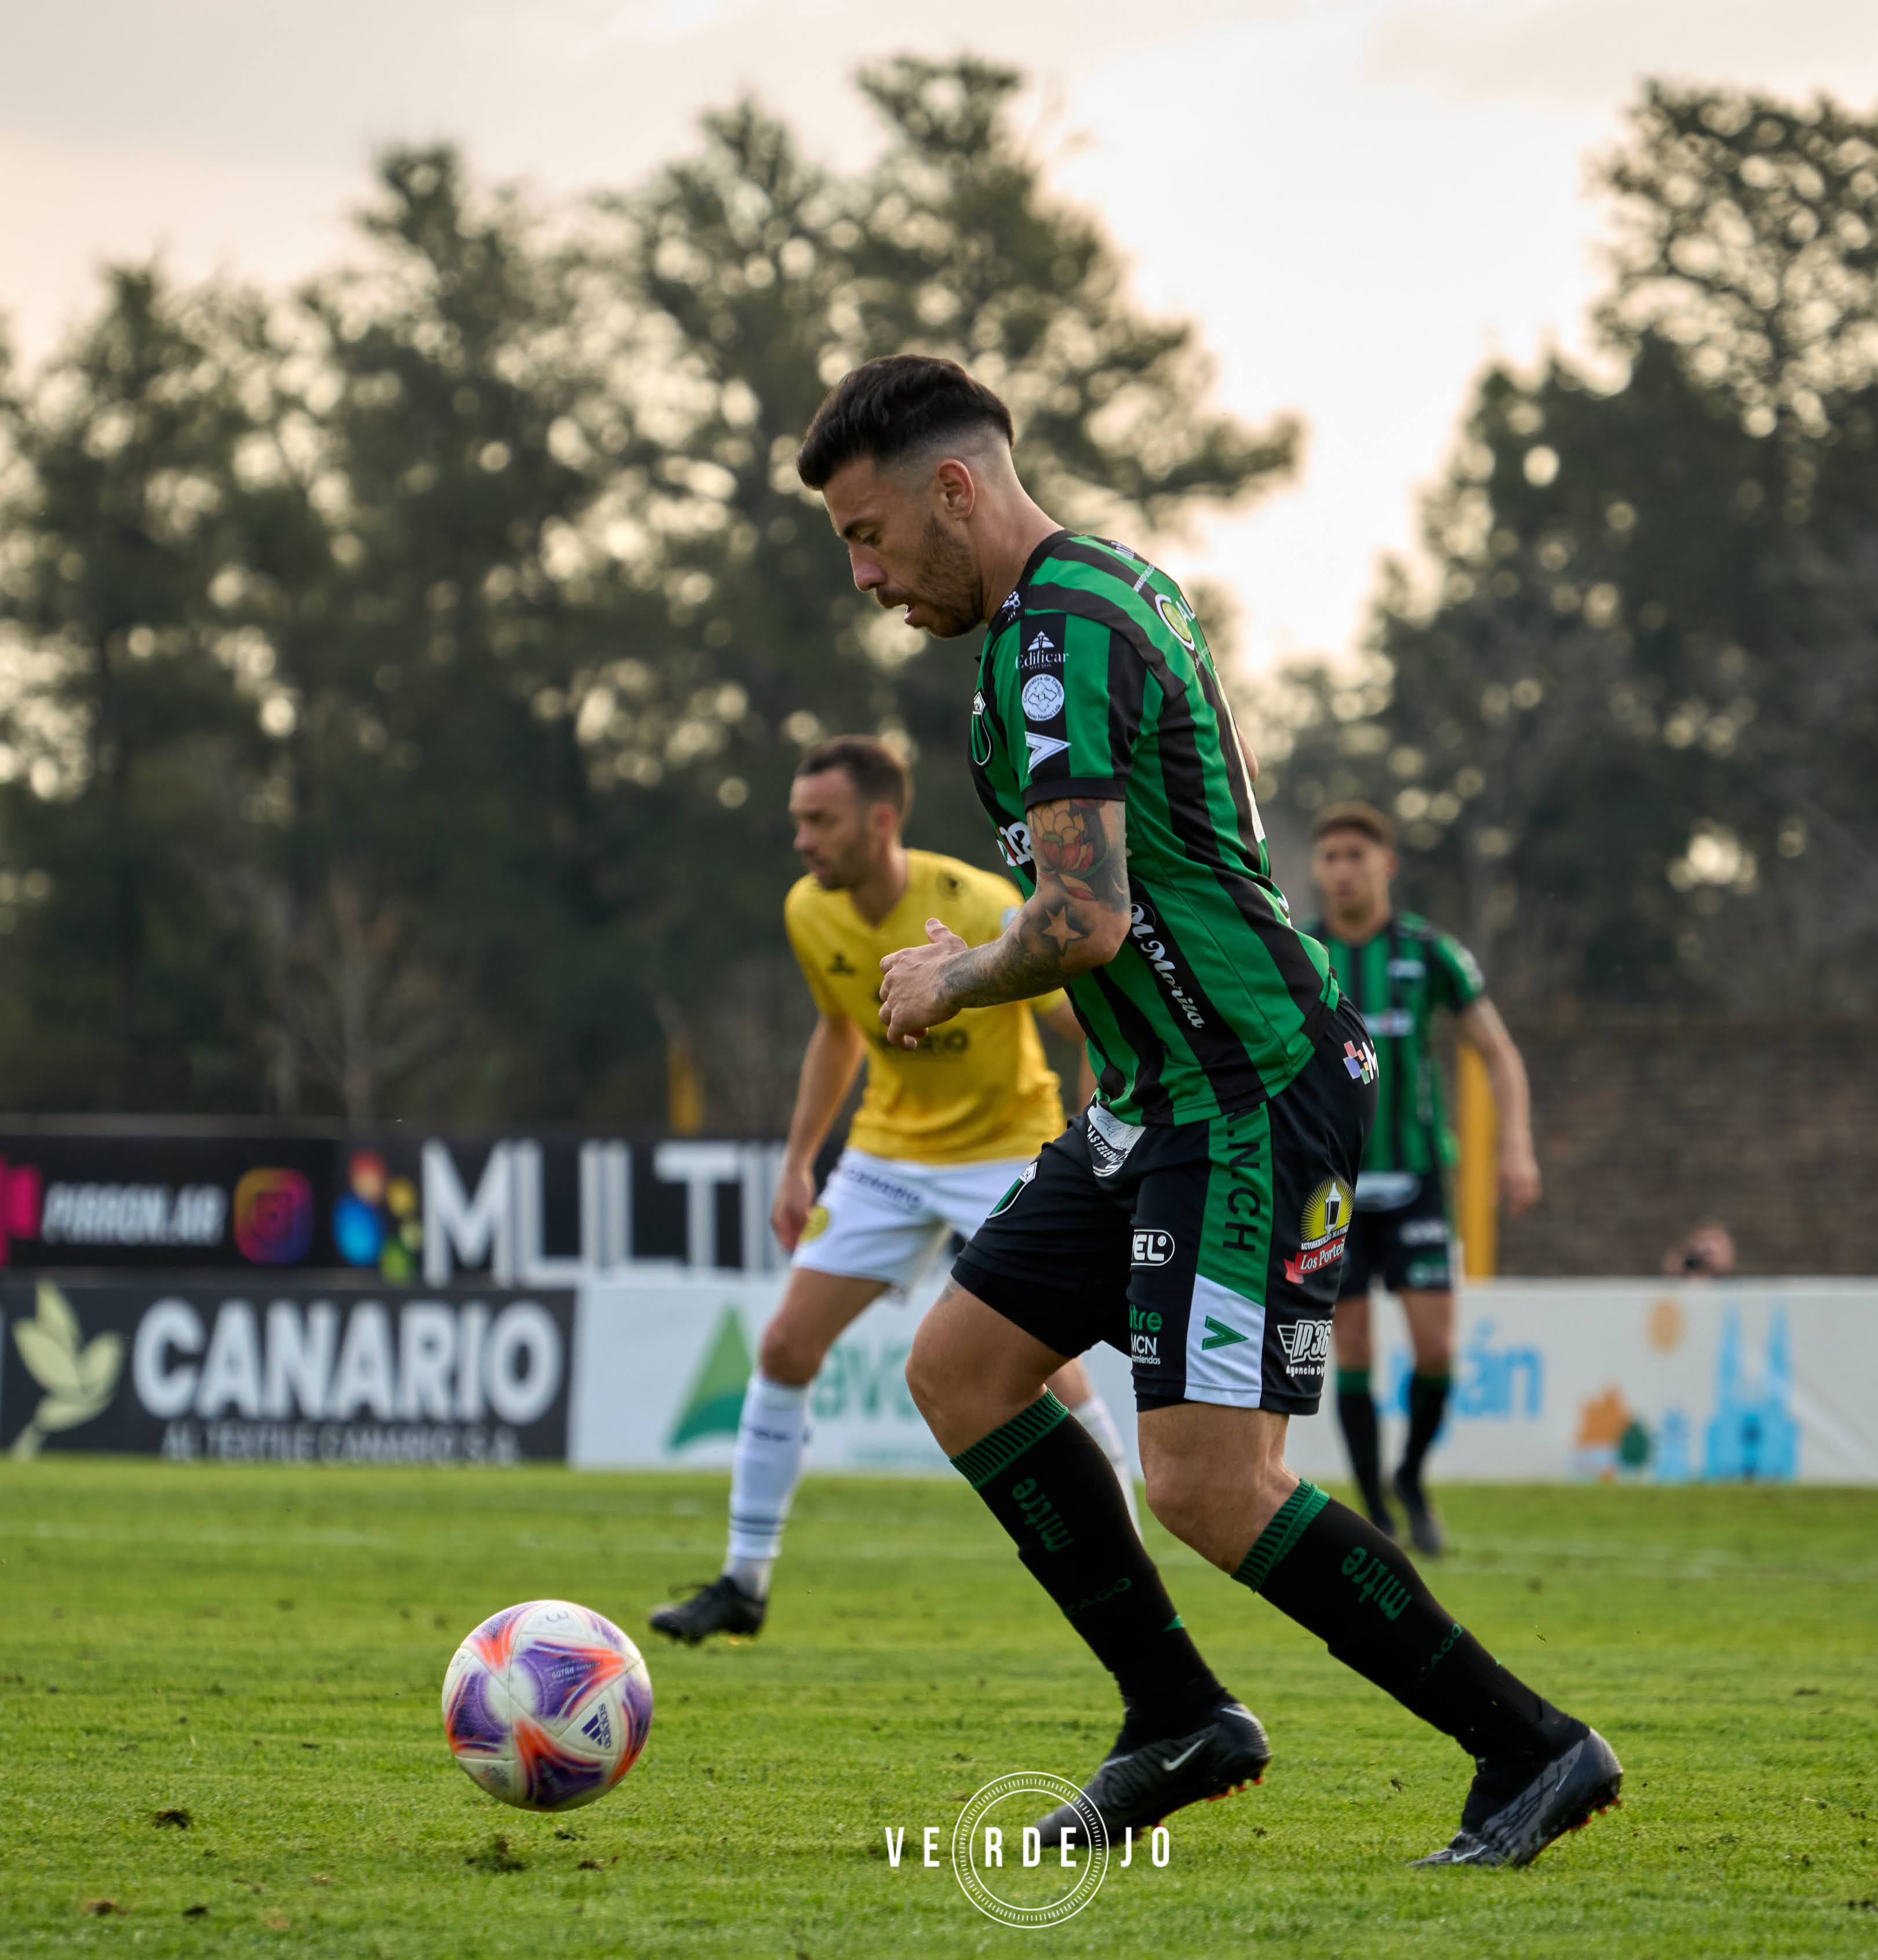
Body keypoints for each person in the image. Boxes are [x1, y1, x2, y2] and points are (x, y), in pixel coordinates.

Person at [798, 354, 1617, 1868]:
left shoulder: (1055, 638)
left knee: (1209, 1481)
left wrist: (951, 979)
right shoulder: (1104, 592)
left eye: (867, 531)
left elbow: (1087, 916)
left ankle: (1530, 1741)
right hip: (1165, 1093)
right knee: (964, 1365)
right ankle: (1174, 1710)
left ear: (955, 491)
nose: (864, 572)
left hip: (1246, 1090)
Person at [651, 736, 1133, 1645]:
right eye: (797, 820)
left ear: (881, 821)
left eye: (818, 820)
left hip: (1003, 1146)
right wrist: (799, 1161)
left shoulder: (978, 901)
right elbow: (839, 1029)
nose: (801, 840)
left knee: (1044, 1368)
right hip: (885, 1152)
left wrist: (1099, 1126)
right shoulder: (809, 911)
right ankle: (743, 1583)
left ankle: (1131, 1573)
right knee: (787, 1344)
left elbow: (1076, 1010)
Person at [1303, 802, 1541, 1556]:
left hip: (1417, 1179)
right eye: (1330, 856)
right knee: (1353, 1347)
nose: (1343, 869)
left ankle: (1410, 1477)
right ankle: (1376, 1508)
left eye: (1356, 855)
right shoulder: (1298, 953)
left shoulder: (1429, 953)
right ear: (1317, 868)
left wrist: (1517, 1146)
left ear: (1385, 865)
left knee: (1436, 1347)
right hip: (1331, 1188)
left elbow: (1498, 1053)